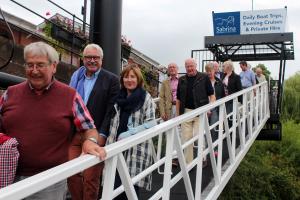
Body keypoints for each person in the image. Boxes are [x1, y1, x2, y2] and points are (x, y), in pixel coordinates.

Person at [0, 41, 106, 200]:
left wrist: (90, 140)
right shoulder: (10, 93)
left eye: (40, 65)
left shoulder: (70, 95)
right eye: (30, 65)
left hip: (50, 181)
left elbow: (89, 127)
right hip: (8, 177)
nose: (34, 71)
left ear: (54, 66)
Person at [68, 43, 120, 200]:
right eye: (88, 57)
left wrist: (102, 134)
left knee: (91, 177)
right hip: (74, 133)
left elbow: (111, 110)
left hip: (96, 134)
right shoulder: (76, 77)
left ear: (101, 60)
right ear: (83, 59)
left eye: (95, 57)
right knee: (71, 174)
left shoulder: (112, 80)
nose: (92, 60)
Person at [105, 64, 156, 199]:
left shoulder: (146, 98)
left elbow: (151, 123)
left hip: (134, 149)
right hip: (115, 146)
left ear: (138, 79)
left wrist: (129, 133)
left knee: (130, 190)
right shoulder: (118, 98)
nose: (129, 80)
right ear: (122, 80)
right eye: (126, 77)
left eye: (132, 77)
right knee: (112, 188)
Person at [176, 58, 216, 164]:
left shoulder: (204, 77)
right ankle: (188, 162)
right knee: (186, 138)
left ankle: (202, 158)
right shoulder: (182, 79)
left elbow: (212, 95)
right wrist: (178, 115)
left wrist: (209, 108)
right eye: (187, 66)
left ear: (196, 65)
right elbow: (178, 99)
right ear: (185, 67)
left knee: (199, 136)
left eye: (191, 66)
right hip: (186, 112)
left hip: (201, 111)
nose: (189, 68)